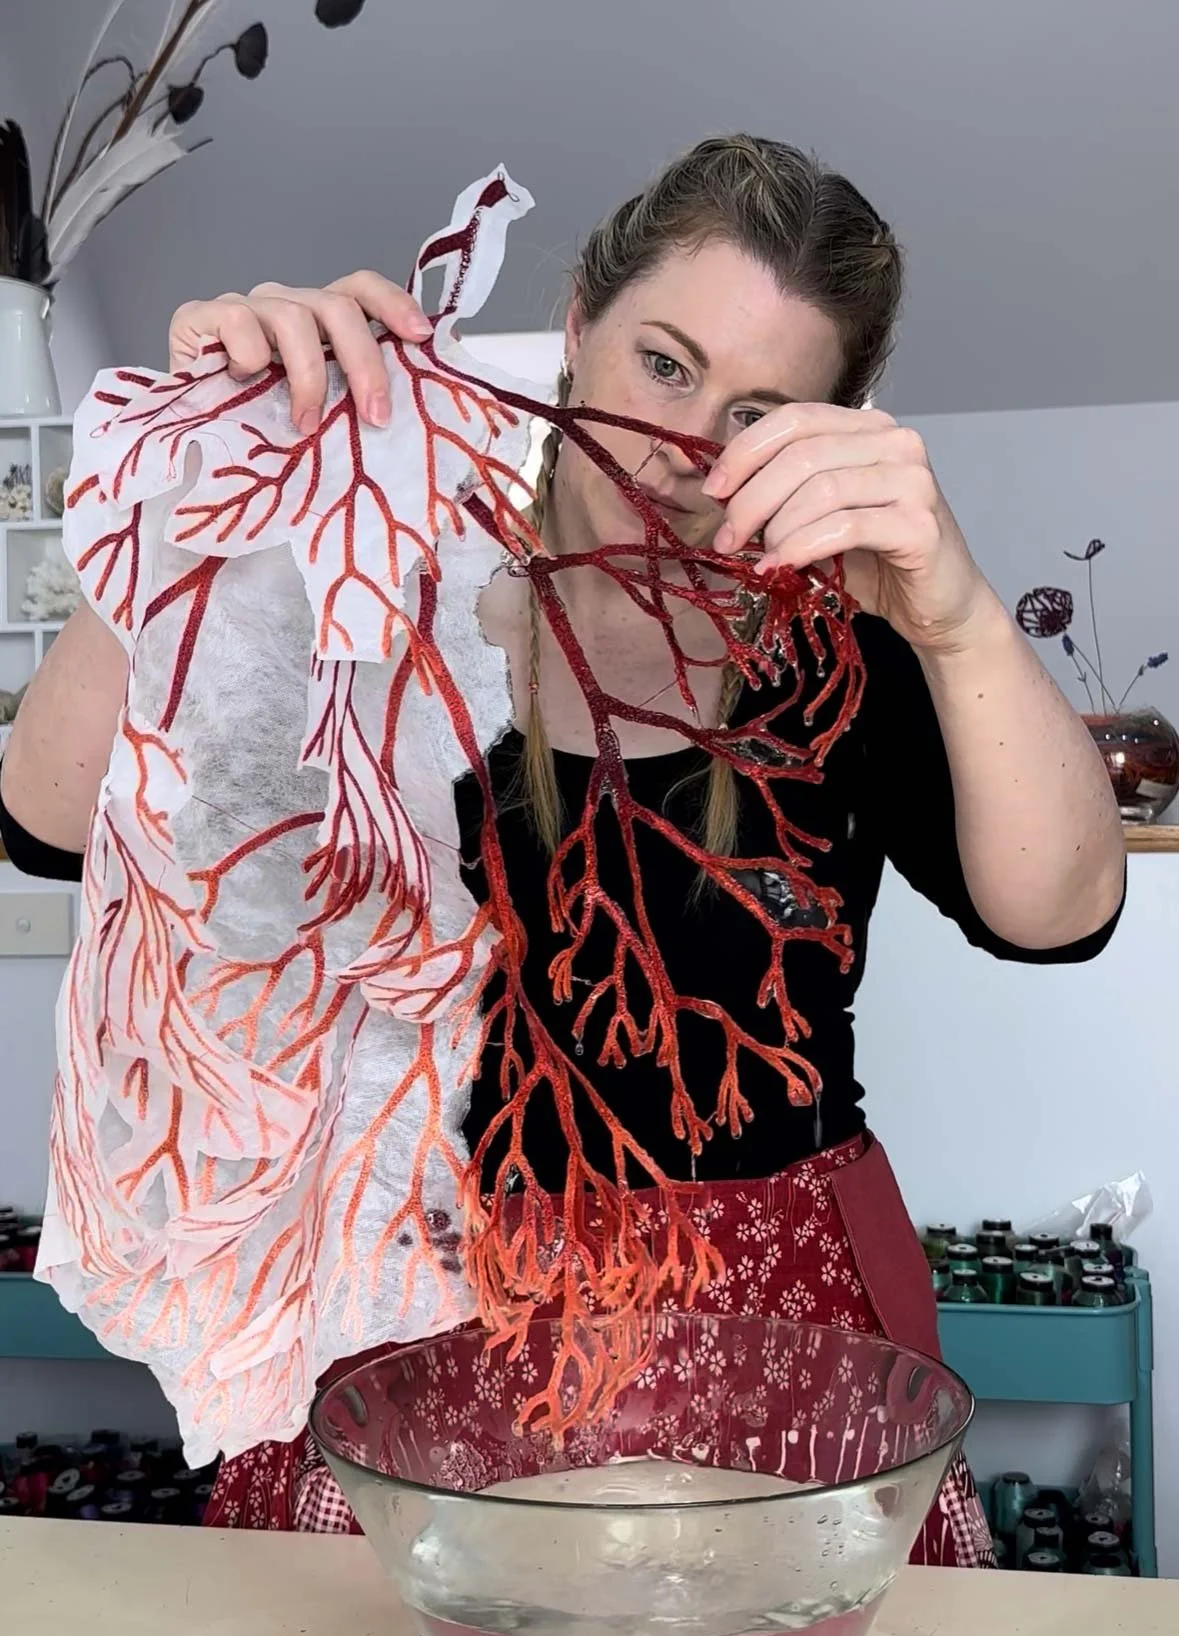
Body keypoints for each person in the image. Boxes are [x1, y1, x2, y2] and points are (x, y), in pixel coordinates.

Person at [0, 135, 1124, 1557]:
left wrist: (952, 613)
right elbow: (43, 820)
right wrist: (215, 486)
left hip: (774, 1336)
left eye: (755, 409)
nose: (683, 450)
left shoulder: (840, 646)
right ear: (580, 322)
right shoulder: (374, 598)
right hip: (407, 1320)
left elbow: (1058, 913)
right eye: (664, 363)